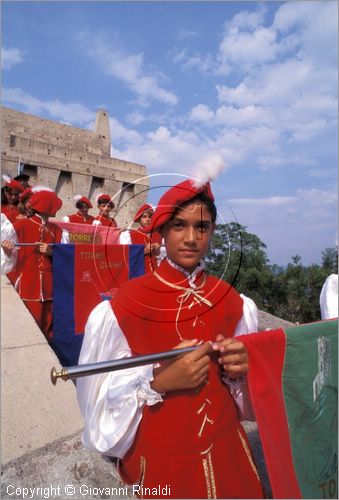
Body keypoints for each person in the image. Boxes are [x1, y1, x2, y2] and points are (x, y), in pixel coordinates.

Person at [77, 178, 264, 499]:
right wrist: (156, 381)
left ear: (212, 231)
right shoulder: (122, 308)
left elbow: (251, 400)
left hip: (230, 457)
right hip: (163, 464)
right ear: (162, 231)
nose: (191, 238)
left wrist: (243, 372)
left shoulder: (234, 302)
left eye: (202, 227)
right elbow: (97, 402)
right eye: (179, 225)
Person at [2, 187, 63, 342]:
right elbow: (11, 255)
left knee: (49, 323)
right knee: (32, 322)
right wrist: (7, 249)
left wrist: (53, 252)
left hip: (49, 285)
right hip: (29, 282)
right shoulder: (22, 225)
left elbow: (65, 256)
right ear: (46, 206)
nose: (57, 208)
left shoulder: (57, 230)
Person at [119, 203, 161, 273]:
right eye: (144, 217)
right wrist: (143, 251)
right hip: (138, 274)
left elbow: (160, 259)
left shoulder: (157, 235)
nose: (147, 219)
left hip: (154, 274)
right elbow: (124, 256)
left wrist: (157, 251)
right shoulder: (130, 235)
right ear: (139, 219)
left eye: (150, 217)